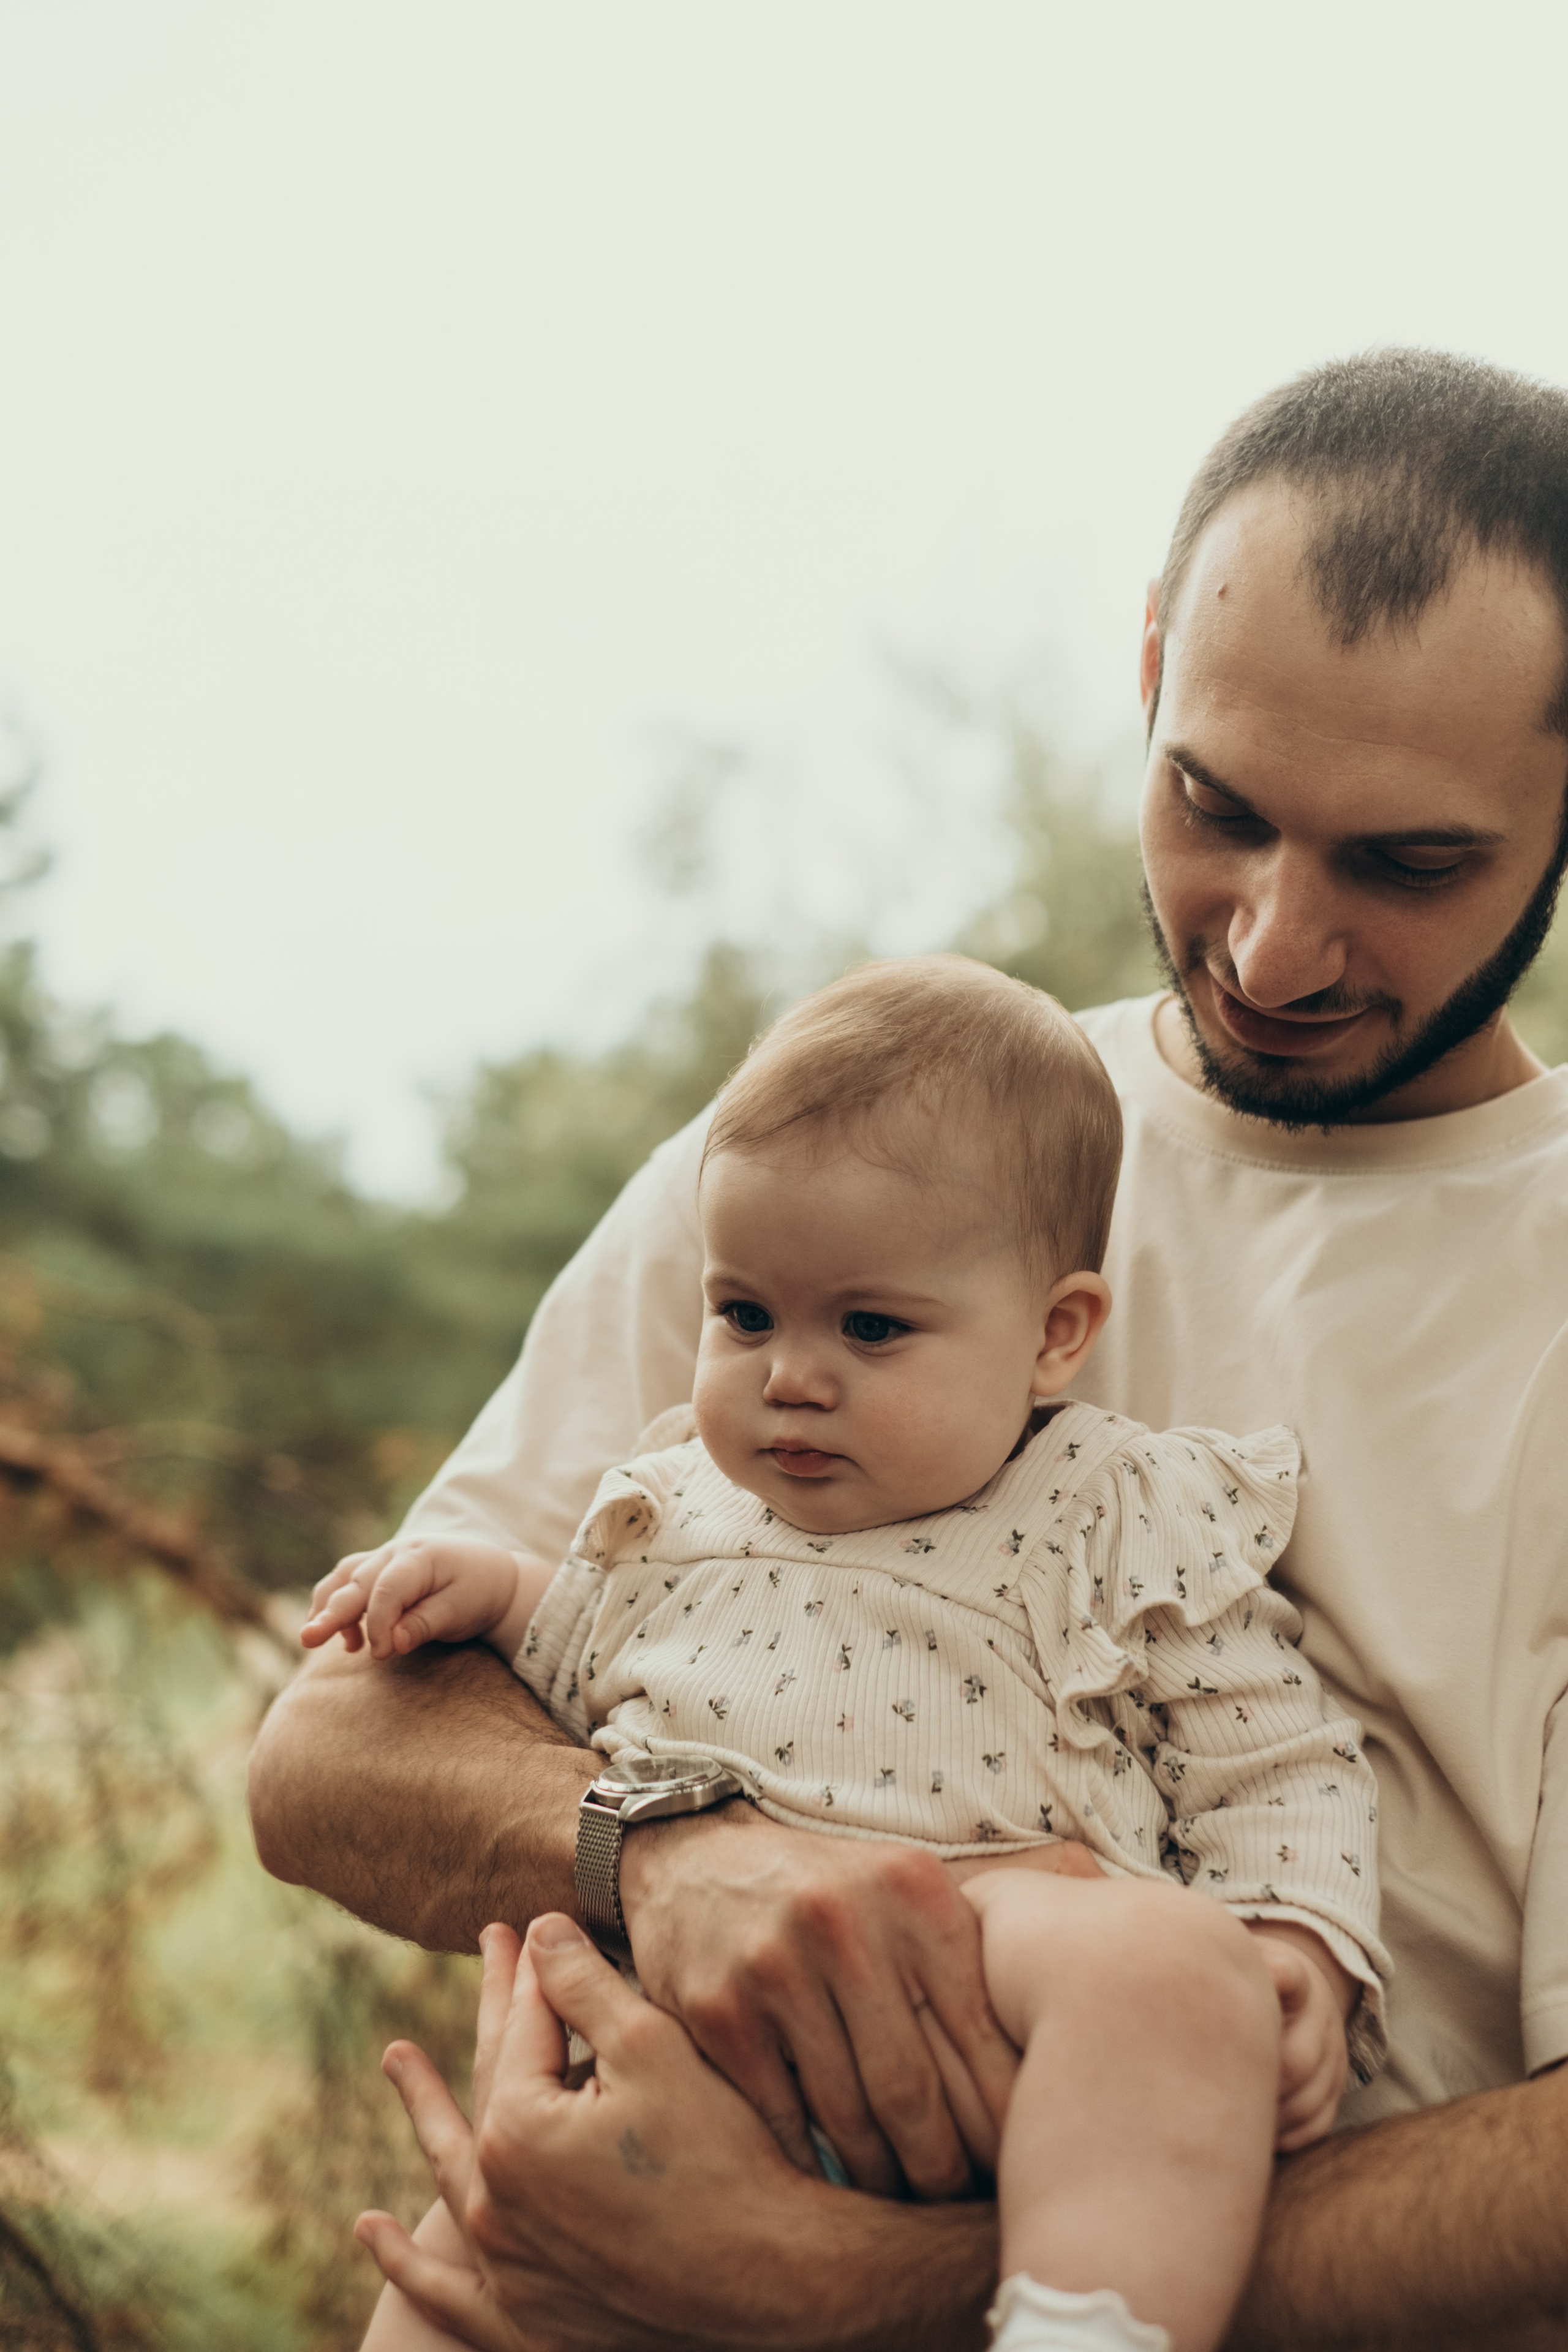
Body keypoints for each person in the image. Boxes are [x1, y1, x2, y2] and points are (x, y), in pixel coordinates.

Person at [248, 346, 1568, 2349]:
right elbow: (333, 1750)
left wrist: (853, 2289)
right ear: (1146, 672)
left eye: (1408, 864)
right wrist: (681, 1863)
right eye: (1217, 808)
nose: (1274, 948)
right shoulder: (881, 1145)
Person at [308, 959, 1389, 2352]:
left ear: (1055, 1335)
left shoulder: (1107, 1508)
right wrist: (483, 1588)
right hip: (672, 2032)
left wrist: (1292, 1934)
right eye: (742, 1313)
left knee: (1174, 1975)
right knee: (469, 2259)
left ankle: (1083, 2325)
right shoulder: (669, 1504)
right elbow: (575, 1652)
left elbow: (1275, 1754)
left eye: (869, 1328)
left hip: (981, 1963)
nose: (789, 1376)